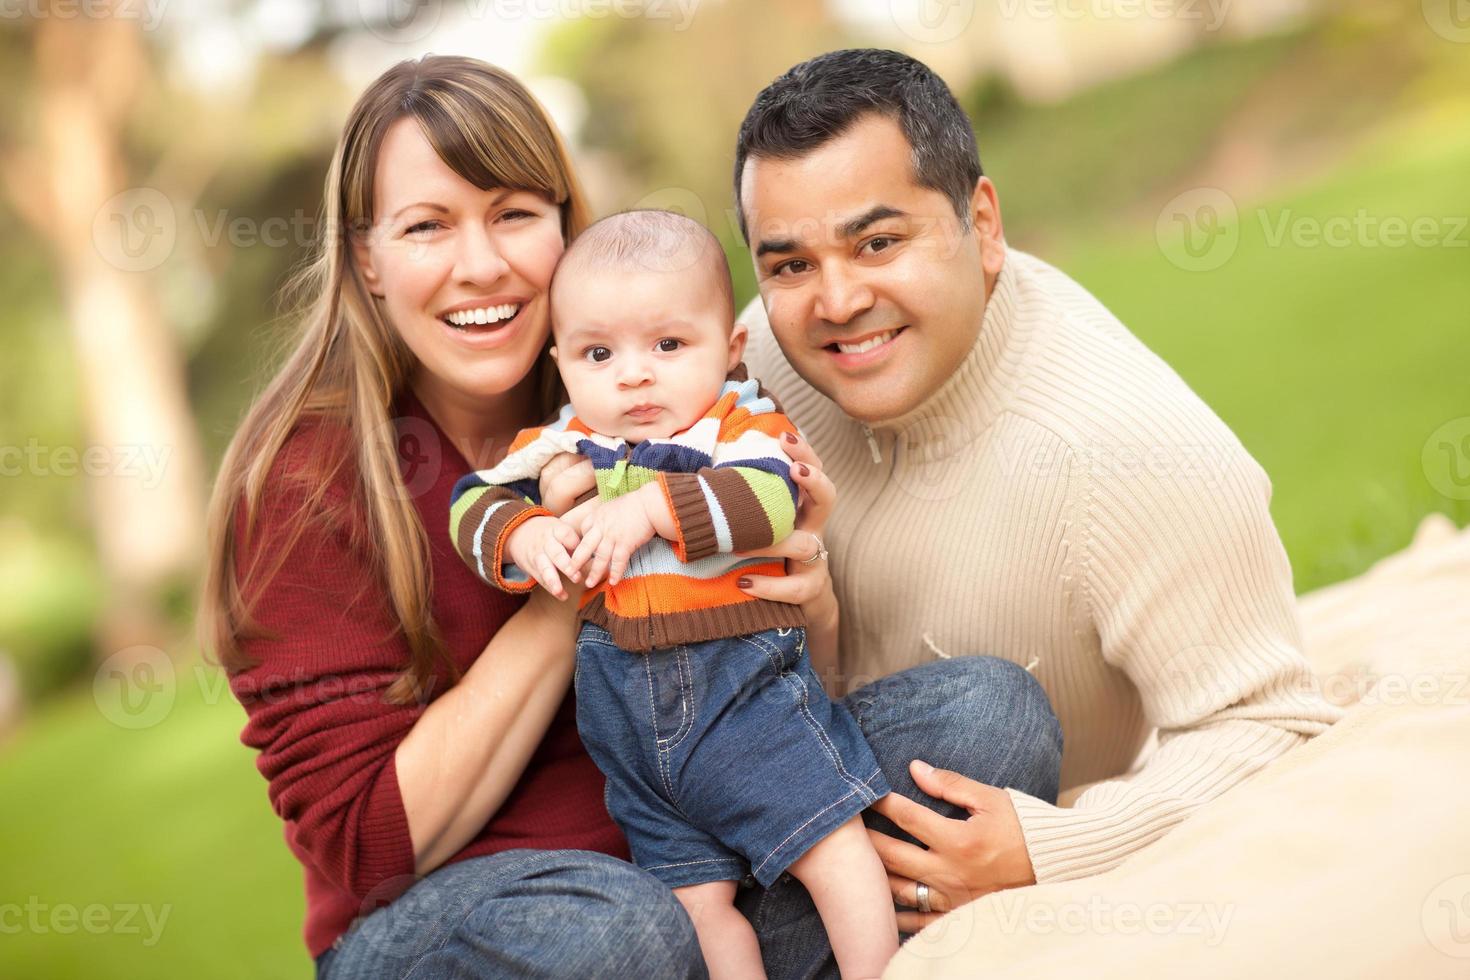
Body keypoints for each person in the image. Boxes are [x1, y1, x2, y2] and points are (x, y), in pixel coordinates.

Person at [200, 54, 1062, 980]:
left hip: (692, 848)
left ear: (566, 232)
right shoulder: (303, 486)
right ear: (366, 259)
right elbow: (370, 851)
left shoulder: (645, 380)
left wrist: (805, 602)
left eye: (514, 215)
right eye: (426, 227)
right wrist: (580, 570)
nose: (480, 264)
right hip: (481, 922)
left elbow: (761, 686)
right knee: (621, 934)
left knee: (985, 720)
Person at [731, 47, 1345, 929]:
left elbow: (1273, 725)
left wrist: (1056, 846)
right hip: (758, 803)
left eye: (878, 242)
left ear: (982, 224)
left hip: (931, 816)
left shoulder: (1135, 453)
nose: (835, 300)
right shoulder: (751, 368)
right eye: (789, 265)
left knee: (989, 716)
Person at [451, 209, 903, 979]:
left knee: (834, 844)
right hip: (628, 736)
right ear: (561, 363)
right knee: (695, 908)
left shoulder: (737, 425)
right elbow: (471, 502)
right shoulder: (562, 443)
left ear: (729, 351)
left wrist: (652, 508)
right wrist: (523, 535)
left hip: (745, 702)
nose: (633, 374)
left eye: (668, 345)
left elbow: (773, 501)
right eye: (599, 352)